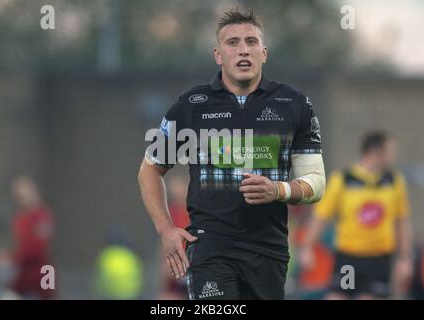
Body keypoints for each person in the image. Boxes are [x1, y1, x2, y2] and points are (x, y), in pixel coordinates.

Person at [138, 9, 326, 300]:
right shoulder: (192, 105)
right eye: (233, 42)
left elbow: (315, 181)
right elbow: (150, 170)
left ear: (263, 53)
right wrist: (165, 229)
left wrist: (278, 189)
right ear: (218, 54)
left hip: (269, 252)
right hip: (210, 249)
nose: (243, 50)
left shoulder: (294, 104)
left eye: (251, 42)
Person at [299, 131, 413, 299]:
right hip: (349, 258)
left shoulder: (394, 181)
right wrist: (307, 247)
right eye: (390, 151)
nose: (393, 156)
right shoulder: (344, 179)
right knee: (337, 296)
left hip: (378, 260)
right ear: (376, 151)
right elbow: (321, 216)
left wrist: (405, 258)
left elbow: (402, 221)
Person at [9, 175, 55, 299]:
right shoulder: (20, 218)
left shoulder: (41, 216)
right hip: (25, 272)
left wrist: (11, 257)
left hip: (42, 271)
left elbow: (37, 247)